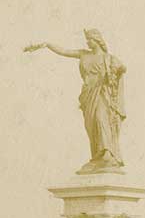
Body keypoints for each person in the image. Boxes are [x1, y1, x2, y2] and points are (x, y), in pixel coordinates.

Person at [25, 29, 126, 174]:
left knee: (101, 119)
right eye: (87, 40)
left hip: (103, 95)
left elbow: (121, 70)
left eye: (90, 39)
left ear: (97, 40)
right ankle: (99, 156)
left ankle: (108, 153)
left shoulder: (109, 58)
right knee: (91, 126)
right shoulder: (83, 54)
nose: (88, 42)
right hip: (88, 95)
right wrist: (47, 44)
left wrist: (118, 71)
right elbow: (64, 51)